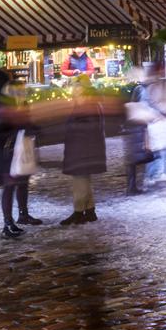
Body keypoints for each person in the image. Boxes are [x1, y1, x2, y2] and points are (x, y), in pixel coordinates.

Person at [60, 78, 108, 226]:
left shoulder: (87, 105)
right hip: (83, 149)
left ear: (83, 88)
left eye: (76, 86)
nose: (73, 89)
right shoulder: (86, 103)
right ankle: (90, 210)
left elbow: (89, 128)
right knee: (84, 180)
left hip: (83, 150)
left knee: (79, 181)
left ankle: (79, 212)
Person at [0, 94, 43, 240]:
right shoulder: (4, 109)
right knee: (9, 187)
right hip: (9, 154)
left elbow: (30, 124)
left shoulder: (21, 104)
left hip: (22, 152)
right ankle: (7, 223)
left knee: (23, 183)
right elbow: (0, 131)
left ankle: (23, 214)